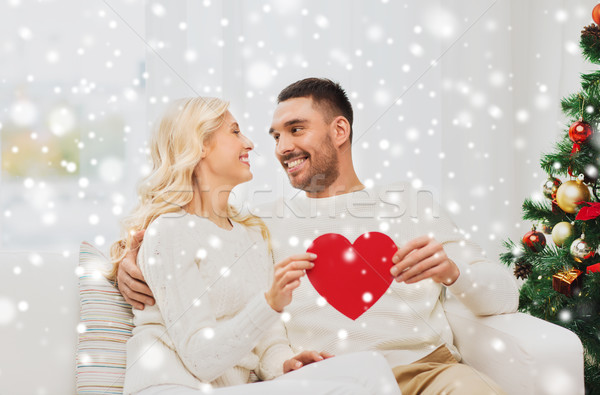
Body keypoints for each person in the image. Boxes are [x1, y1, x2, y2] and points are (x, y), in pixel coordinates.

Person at [118, 79, 519, 394]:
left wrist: (453, 272)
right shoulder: (258, 224)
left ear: (339, 129)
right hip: (322, 382)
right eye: (276, 136)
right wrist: (125, 267)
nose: (281, 147)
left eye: (296, 130)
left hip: (425, 373)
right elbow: (182, 238)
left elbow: (504, 295)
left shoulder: (408, 204)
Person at [108, 97, 401, 395]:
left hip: (227, 390)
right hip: (173, 387)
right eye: (235, 132)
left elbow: (267, 343)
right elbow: (202, 360)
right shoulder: (170, 232)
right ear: (199, 145)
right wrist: (269, 303)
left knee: (371, 366)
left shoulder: (251, 233)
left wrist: (285, 364)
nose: (249, 143)